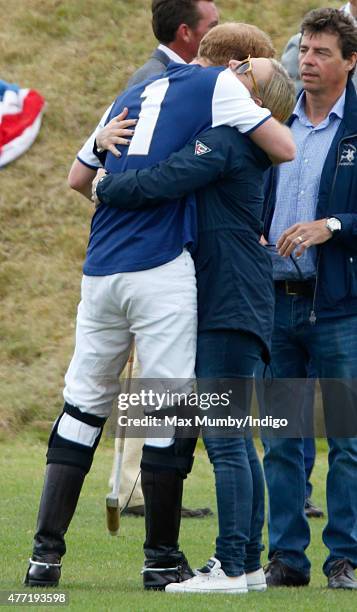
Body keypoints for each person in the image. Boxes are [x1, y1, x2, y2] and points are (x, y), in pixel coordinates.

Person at [24, 23, 295, 591]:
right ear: (232, 65)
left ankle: (44, 557)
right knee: (170, 408)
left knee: (81, 406)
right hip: (163, 265)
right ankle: (163, 558)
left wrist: (103, 169)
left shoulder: (128, 91)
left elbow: (77, 177)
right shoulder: (219, 93)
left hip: (100, 268)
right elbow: (286, 146)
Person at [92, 58, 295, 594]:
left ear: (255, 96)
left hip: (227, 298)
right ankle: (247, 564)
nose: (234, 66)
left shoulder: (228, 141)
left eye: (247, 68)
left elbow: (165, 178)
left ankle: (229, 566)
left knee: (227, 442)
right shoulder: (246, 145)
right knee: (238, 441)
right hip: (240, 297)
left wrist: (105, 187)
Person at [70, 0, 219, 519]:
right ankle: (136, 490)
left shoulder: (173, 74)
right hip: (145, 258)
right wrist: (106, 179)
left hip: (132, 259)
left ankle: (136, 487)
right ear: (186, 32)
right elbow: (91, 176)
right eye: (213, 27)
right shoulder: (156, 78)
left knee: (148, 387)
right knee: (157, 390)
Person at [257, 8, 357, 590]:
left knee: (347, 441)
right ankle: (286, 560)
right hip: (274, 303)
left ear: (350, 61)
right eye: (305, 51)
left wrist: (333, 226)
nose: (308, 62)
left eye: (322, 52)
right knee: (280, 439)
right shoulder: (270, 122)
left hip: (340, 305)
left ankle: (344, 557)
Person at [68, 0, 219, 199]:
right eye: (213, 28)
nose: (221, 35)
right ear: (185, 32)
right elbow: (79, 177)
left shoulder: (161, 76)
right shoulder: (155, 82)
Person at [281, 1, 357, 92]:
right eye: (303, 50)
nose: (307, 60)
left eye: (321, 52)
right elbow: (287, 99)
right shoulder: (299, 41)